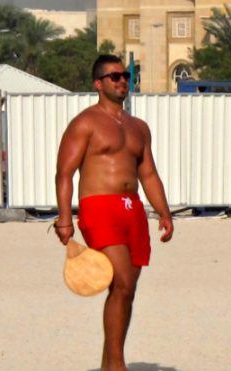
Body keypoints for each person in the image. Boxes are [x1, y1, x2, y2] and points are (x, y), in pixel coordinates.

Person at [54, 54, 174, 371]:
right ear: (98, 84)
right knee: (121, 283)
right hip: (99, 207)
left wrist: (163, 211)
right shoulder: (86, 123)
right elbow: (65, 173)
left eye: (126, 76)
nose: (122, 81)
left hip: (132, 209)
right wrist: (65, 218)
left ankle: (109, 364)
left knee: (127, 290)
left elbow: (148, 174)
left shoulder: (139, 128)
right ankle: (118, 364)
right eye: (114, 76)